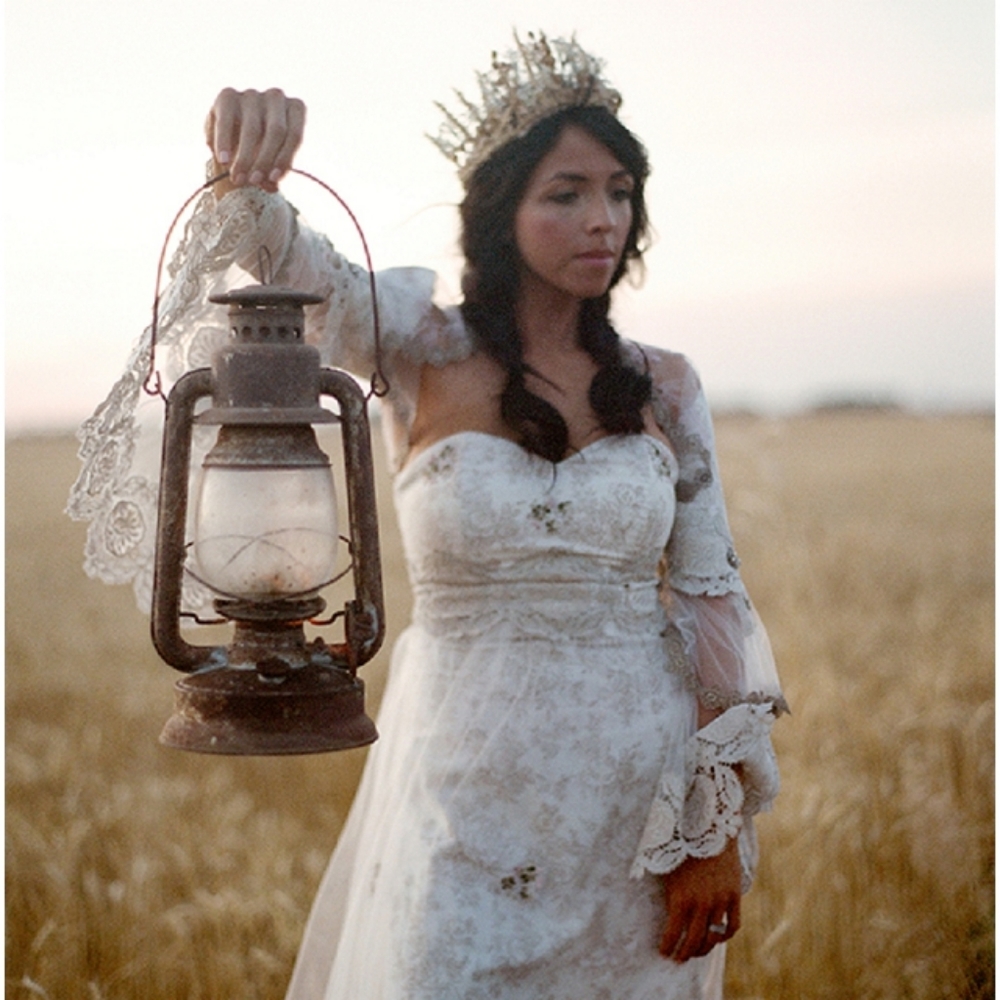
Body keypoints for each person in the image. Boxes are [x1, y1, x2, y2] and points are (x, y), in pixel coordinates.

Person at [69, 33, 786, 1000]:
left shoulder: (667, 385)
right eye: (565, 193)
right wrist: (250, 162)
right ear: (502, 210)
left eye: (620, 192)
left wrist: (711, 828)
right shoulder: (415, 346)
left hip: (637, 807)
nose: (602, 220)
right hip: (462, 791)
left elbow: (712, 604)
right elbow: (282, 252)